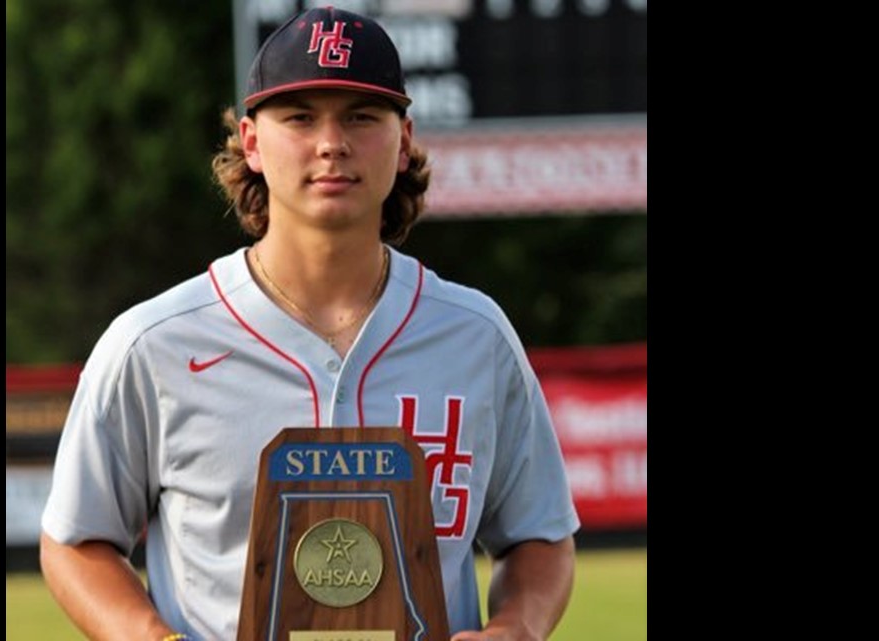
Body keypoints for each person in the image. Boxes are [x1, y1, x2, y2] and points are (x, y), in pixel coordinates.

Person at [40, 6, 579, 640]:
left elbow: (539, 535)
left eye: (361, 115)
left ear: (403, 140)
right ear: (251, 141)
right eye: (300, 117)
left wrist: (517, 627)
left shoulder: (475, 335)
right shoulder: (154, 342)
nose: (332, 142)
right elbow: (76, 540)